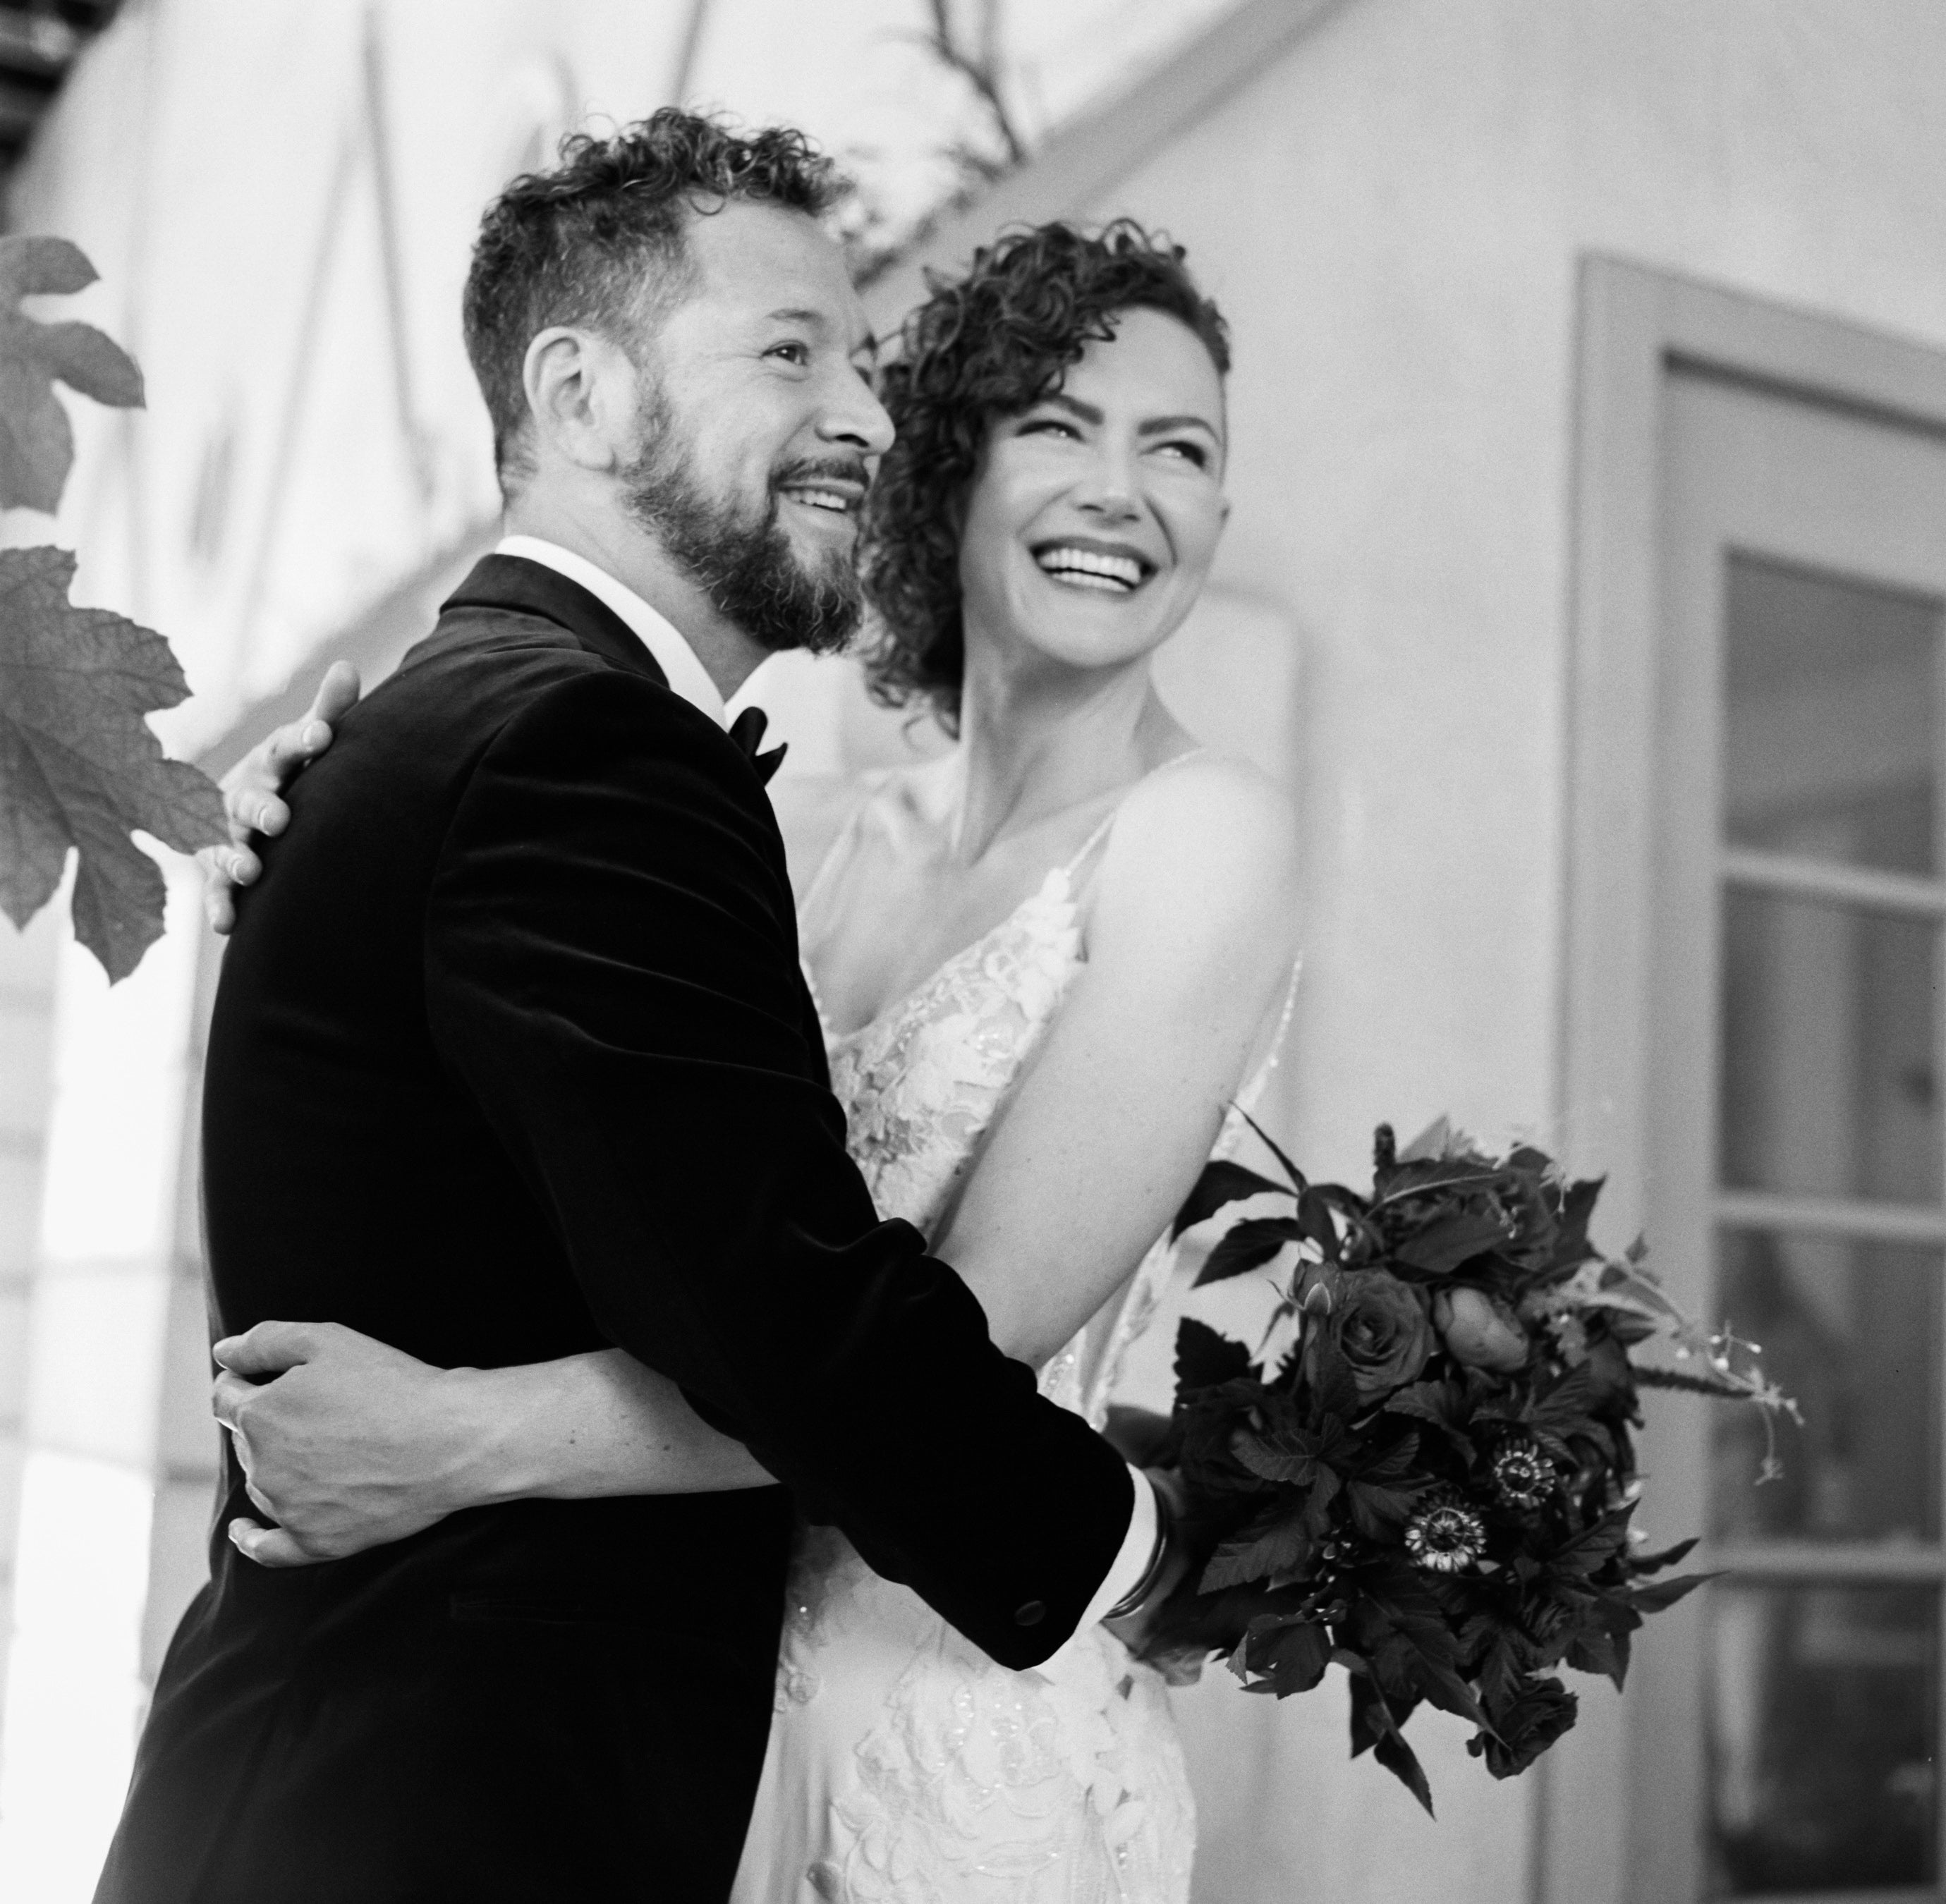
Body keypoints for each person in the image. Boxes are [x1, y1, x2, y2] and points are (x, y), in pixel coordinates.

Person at [96, 116, 1182, 1904]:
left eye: (863, 360)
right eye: (790, 352)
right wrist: (1150, 1544)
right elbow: (782, 1316)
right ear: (582, 394)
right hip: (424, 1819)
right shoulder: (579, 751)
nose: (866, 418)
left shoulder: (470, 726)